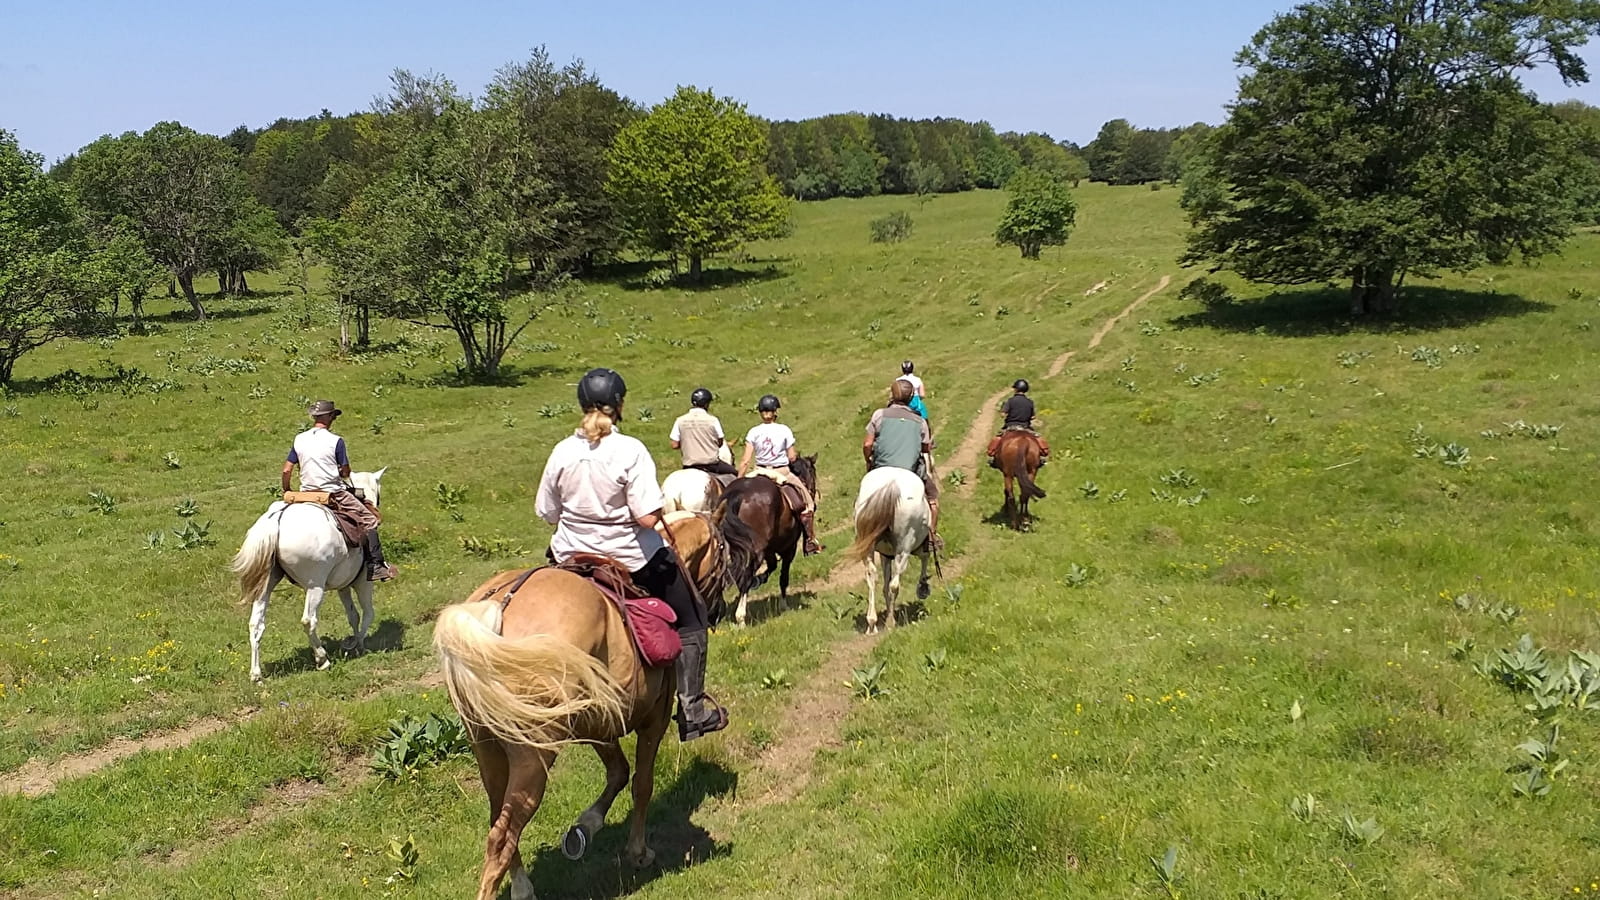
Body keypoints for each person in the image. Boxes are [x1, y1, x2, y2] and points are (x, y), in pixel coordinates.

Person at [535, 368, 727, 742]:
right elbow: (645, 517)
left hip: (570, 555)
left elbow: (547, 512)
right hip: (629, 558)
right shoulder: (630, 450)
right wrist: (652, 516)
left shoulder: (562, 451)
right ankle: (692, 711)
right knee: (692, 617)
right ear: (619, 405)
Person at [282, 400, 396, 582]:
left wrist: (287, 490)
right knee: (369, 519)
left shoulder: (299, 439)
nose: (333, 419)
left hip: (305, 493)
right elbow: (345, 472)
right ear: (327, 417)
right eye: (333, 416)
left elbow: (286, 470)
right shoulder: (336, 441)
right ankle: (376, 566)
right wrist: (343, 472)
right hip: (332, 493)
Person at [737, 394, 824, 556]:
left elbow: (745, 460)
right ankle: (810, 541)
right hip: (780, 471)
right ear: (775, 412)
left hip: (759, 471)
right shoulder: (784, 430)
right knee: (808, 503)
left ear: (761, 413)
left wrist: (738, 481)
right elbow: (792, 457)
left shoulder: (753, 432)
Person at [863, 379, 943, 550]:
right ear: (911, 397)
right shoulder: (920, 421)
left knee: (864, 493)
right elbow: (925, 448)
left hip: (880, 466)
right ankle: (930, 538)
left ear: (892, 394)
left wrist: (869, 461)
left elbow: (867, 445)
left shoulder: (879, 415)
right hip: (911, 470)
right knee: (933, 497)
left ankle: (861, 529)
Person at [669, 387, 736, 476]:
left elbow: (674, 445)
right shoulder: (713, 420)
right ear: (706, 404)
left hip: (689, 466)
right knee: (735, 473)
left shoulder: (680, 420)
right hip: (711, 465)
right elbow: (720, 443)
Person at [987, 378, 1050, 468]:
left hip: (1010, 427)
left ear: (1016, 389)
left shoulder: (1010, 401)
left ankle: (993, 459)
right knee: (1039, 440)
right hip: (1026, 427)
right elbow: (1033, 417)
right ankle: (1041, 459)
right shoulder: (1029, 402)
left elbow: (1003, 414)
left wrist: (1001, 411)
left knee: (997, 440)